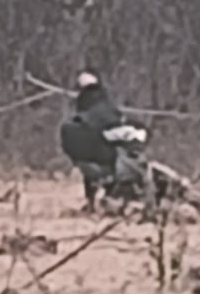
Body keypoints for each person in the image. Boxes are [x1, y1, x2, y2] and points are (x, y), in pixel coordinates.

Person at [60, 72, 149, 211]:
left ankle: (93, 202)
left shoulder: (85, 107)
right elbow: (114, 124)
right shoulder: (101, 105)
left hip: (89, 156)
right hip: (106, 155)